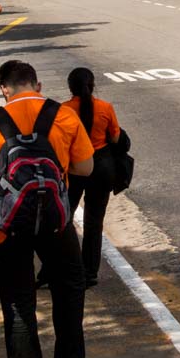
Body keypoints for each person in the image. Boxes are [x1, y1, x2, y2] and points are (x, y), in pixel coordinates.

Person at [0, 60, 109, 358]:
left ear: (4, 89)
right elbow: (85, 167)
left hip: (7, 226)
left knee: (17, 299)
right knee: (70, 285)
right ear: (38, 85)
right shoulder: (64, 116)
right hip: (55, 220)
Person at [64, 67, 122, 286]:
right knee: (94, 222)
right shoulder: (104, 108)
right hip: (101, 167)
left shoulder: (64, 110)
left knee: (64, 218)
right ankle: (90, 272)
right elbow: (116, 139)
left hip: (75, 167)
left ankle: (64, 264)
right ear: (92, 85)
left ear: (71, 88)